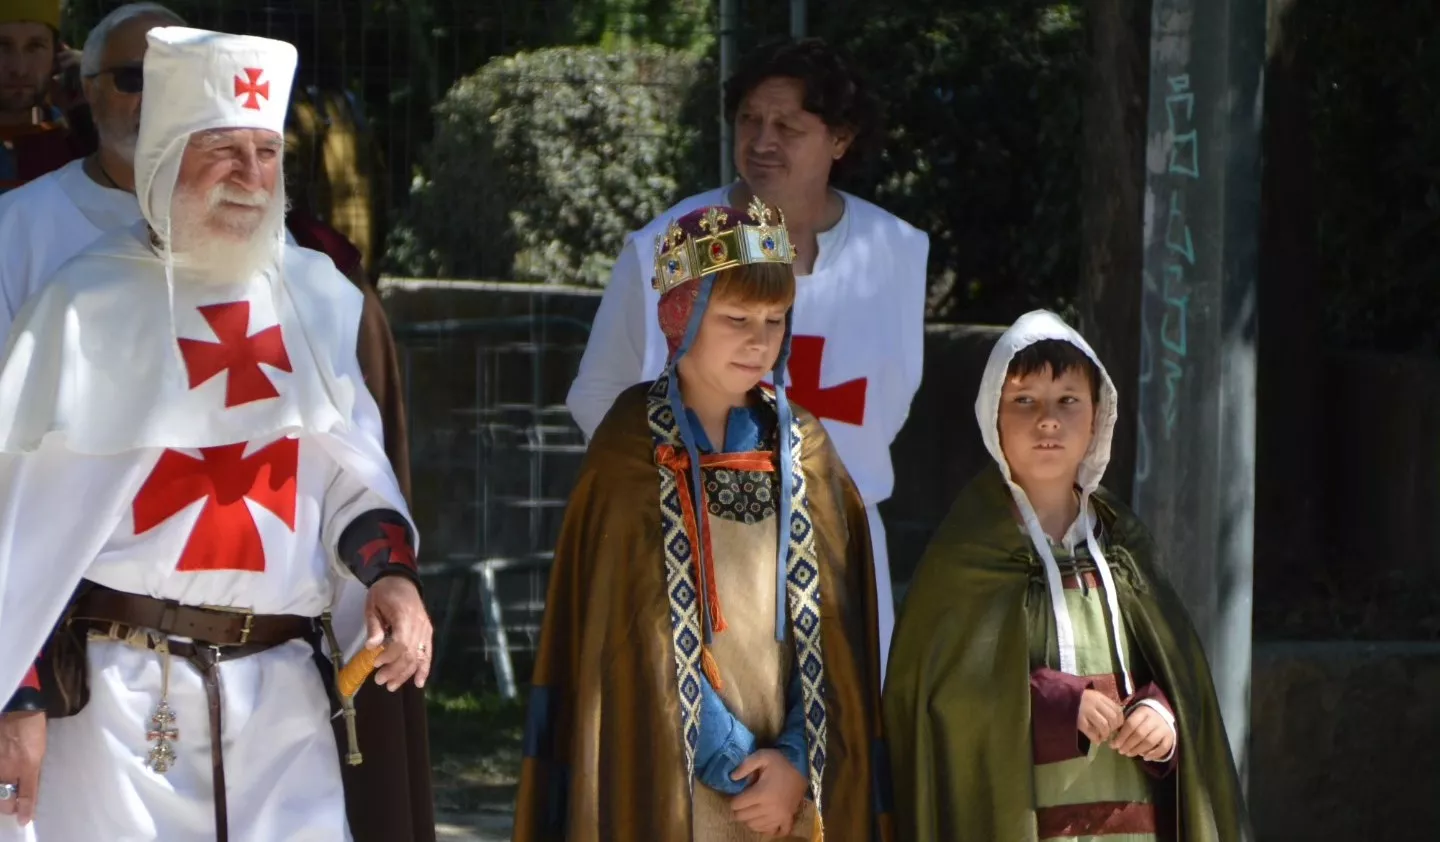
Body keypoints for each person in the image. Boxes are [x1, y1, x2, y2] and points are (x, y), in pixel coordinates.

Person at [0, 27, 432, 841]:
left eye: (266, 153)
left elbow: (349, 477)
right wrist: (16, 698)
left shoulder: (314, 298)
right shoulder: (83, 308)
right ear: (163, 155)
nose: (250, 176)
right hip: (120, 708)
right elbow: (17, 529)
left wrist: (392, 577)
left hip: (282, 706)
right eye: (223, 149)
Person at [514, 201, 891, 841]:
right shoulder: (631, 443)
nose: (758, 340)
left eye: (775, 320)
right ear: (681, 314)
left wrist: (797, 760)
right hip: (671, 772)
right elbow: (632, 628)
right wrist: (731, 761)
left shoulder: (804, 447)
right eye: (736, 318)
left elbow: (837, 626)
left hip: (796, 784)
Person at [565, 38, 928, 678]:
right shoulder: (668, 250)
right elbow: (602, 395)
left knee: (842, 752)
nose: (762, 140)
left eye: (787, 126)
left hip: (841, 550)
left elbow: (888, 406)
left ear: (839, 140)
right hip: (697, 556)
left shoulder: (895, 252)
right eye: (749, 121)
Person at [883, 310, 1251, 841]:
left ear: (1098, 415)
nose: (1047, 421)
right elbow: (943, 706)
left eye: (1067, 401)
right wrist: (1059, 706)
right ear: (993, 416)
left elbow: (1176, 670)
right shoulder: (965, 554)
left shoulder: (1123, 545)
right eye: (1024, 401)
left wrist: (1161, 717)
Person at [0, 0, 81, 192]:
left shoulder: (75, 139)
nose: (19, 69)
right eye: (2, 45)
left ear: (58, 54)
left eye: (35, 47)